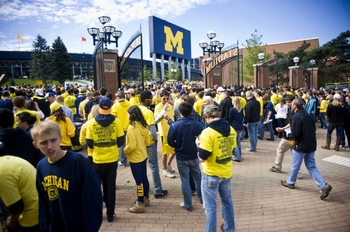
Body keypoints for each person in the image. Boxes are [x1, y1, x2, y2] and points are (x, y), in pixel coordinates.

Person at [32, 120, 103, 231]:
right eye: (44, 142)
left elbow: (93, 201)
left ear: (61, 138)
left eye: (53, 140)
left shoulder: (78, 162)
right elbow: (43, 203)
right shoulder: (41, 166)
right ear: (36, 145)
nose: (50, 146)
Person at [281, 98, 332, 200]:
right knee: (311, 166)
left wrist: (287, 134)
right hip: (311, 144)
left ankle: (291, 182)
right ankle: (323, 185)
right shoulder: (308, 116)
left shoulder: (296, 117)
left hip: (301, 145)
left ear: (295, 106)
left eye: (292, 105)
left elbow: (295, 134)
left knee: (295, 165)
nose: (290, 106)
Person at [86, 97, 125, 222]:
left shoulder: (92, 123)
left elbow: (89, 143)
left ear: (99, 108)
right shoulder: (116, 122)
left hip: (97, 159)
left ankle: (97, 212)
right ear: (111, 107)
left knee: (96, 186)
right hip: (112, 158)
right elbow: (121, 141)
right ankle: (110, 214)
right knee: (110, 186)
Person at [198, 105, 236, 232]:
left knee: (210, 207)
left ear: (207, 116)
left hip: (211, 174)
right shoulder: (231, 130)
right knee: (227, 202)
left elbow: (203, 157)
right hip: (226, 171)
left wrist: (198, 145)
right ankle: (229, 228)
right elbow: (232, 148)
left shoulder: (207, 132)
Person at [167, 101, 203, 212]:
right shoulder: (198, 124)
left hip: (181, 156)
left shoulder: (174, 125)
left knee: (185, 180)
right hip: (193, 155)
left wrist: (177, 146)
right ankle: (202, 199)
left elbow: (170, 141)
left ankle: (188, 204)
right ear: (191, 112)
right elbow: (202, 138)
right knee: (198, 177)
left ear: (179, 112)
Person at [139, 91, 168, 198]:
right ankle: (157, 190)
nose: (152, 100)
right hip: (150, 142)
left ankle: (142, 190)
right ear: (147, 100)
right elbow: (152, 129)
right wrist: (156, 140)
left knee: (141, 167)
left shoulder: (137, 110)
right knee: (154, 166)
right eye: (151, 99)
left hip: (140, 142)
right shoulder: (148, 112)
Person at [0, 156, 40, 231]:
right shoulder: (5, 160)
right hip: (41, 206)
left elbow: (16, 207)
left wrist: (12, 222)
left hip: (32, 216)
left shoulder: (1, 175)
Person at [123, 106, 150, 213]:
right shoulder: (143, 125)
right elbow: (147, 142)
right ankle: (145, 198)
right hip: (143, 156)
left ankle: (140, 203)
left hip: (135, 158)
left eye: (128, 113)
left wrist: (125, 150)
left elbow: (132, 146)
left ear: (131, 114)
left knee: (139, 182)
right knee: (144, 178)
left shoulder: (131, 128)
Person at [154, 90, 176, 178]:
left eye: (168, 98)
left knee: (174, 150)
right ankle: (165, 170)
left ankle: (168, 165)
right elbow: (156, 120)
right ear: (160, 98)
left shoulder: (170, 106)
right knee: (165, 153)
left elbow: (173, 118)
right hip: (164, 133)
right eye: (164, 98)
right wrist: (164, 109)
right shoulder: (158, 107)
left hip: (171, 131)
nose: (166, 100)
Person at [111, 91, 133, 167]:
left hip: (120, 128)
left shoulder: (115, 106)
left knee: (122, 146)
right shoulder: (130, 104)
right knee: (131, 144)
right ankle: (132, 159)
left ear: (117, 97)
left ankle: (123, 161)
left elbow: (113, 117)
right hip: (130, 127)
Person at [228, 97, 244, 162]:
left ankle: (237, 156)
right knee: (238, 142)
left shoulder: (232, 109)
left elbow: (230, 118)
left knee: (235, 143)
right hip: (240, 127)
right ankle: (239, 155)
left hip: (234, 127)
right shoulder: (241, 109)